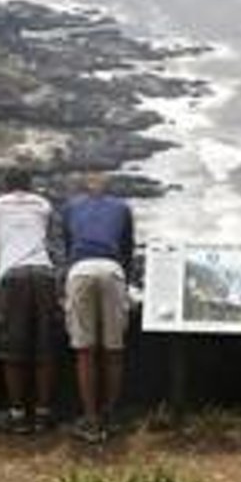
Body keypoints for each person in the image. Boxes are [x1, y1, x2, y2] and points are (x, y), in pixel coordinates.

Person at [0, 168, 60, 434]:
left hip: (13, 276)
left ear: (4, 185)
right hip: (44, 273)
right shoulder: (43, 205)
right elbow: (46, 240)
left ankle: (17, 415)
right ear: (30, 185)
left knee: (13, 349)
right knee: (44, 347)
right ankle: (43, 413)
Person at [60, 172, 135, 443]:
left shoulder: (70, 207)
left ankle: (91, 420)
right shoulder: (122, 208)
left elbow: (68, 245)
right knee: (113, 349)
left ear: (83, 191)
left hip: (80, 269)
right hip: (112, 269)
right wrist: (128, 283)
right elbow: (128, 249)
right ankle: (110, 415)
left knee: (85, 350)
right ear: (109, 190)